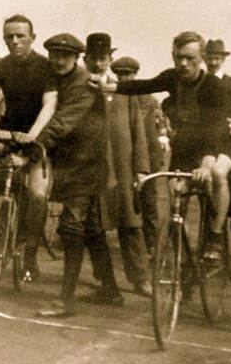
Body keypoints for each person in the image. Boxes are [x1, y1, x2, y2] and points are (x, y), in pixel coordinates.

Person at [99, 31, 231, 259]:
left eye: (190, 58)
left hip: (216, 145)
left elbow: (215, 130)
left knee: (218, 176)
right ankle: (184, 253)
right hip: (185, 148)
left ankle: (216, 236)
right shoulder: (173, 77)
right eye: (179, 57)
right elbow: (145, 86)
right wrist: (112, 88)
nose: (183, 64)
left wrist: (206, 164)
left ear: (201, 58)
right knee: (175, 200)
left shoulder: (213, 86)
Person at [35, 34, 123, 317]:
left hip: (87, 165)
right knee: (93, 230)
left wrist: (33, 148)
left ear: (76, 58)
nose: (59, 61)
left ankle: (65, 300)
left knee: (72, 228)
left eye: (66, 56)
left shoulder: (84, 83)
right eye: (55, 55)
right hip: (70, 162)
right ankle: (110, 290)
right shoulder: (52, 78)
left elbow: (62, 124)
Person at [0, 14, 57, 282]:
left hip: (38, 135)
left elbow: (50, 104)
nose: (15, 41)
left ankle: (30, 250)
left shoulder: (46, 67)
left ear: (32, 38)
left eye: (20, 35)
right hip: (9, 130)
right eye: (9, 36)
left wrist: (33, 136)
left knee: (36, 194)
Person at [84, 33, 152, 297]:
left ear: (110, 59)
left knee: (131, 222)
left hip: (123, 166)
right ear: (86, 59)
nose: (99, 64)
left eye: (103, 59)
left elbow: (138, 132)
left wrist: (142, 169)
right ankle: (105, 279)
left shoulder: (125, 91)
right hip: (94, 167)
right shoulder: (82, 88)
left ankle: (140, 278)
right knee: (95, 224)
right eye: (94, 59)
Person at [111, 56, 167, 255]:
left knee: (148, 201)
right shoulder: (119, 95)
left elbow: (134, 124)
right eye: (120, 74)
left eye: (128, 74)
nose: (124, 78)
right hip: (128, 156)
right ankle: (139, 244)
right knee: (129, 201)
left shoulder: (145, 97)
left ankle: (151, 244)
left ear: (135, 75)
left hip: (148, 155)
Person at [204, 39, 231, 120]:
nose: (213, 62)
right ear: (204, 59)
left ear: (223, 59)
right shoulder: (199, 83)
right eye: (210, 59)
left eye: (217, 59)